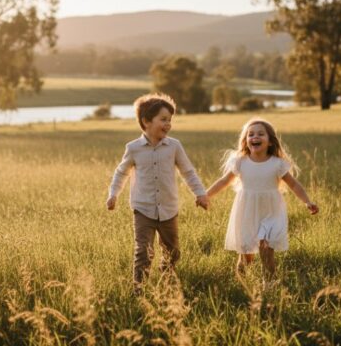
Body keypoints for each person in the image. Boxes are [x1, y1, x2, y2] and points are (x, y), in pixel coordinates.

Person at [107, 93, 209, 292]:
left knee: (173, 252)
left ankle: (167, 279)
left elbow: (188, 172)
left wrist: (200, 194)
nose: (168, 124)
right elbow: (121, 173)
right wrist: (113, 194)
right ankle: (139, 290)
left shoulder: (174, 146)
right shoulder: (134, 148)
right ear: (146, 121)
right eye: (163, 119)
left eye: (170, 120)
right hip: (143, 209)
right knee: (143, 252)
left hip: (168, 209)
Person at [205, 117, 318, 283]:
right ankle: (242, 285)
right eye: (250, 134)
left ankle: (269, 285)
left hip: (271, 212)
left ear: (270, 141)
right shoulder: (240, 162)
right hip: (247, 211)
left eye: (260, 134)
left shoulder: (277, 164)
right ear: (245, 141)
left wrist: (307, 201)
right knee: (246, 256)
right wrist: (205, 195)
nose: (255, 137)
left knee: (266, 250)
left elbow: (294, 185)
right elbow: (223, 181)